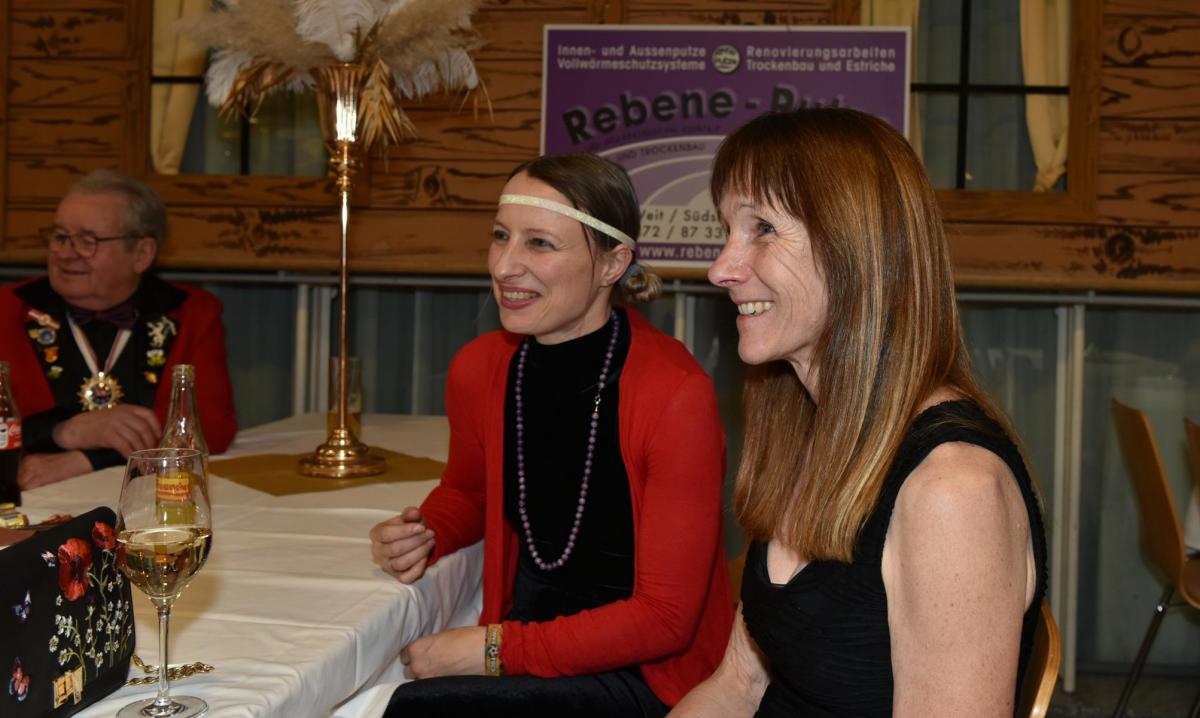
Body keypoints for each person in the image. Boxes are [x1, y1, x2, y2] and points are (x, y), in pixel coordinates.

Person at [670, 108, 1048, 718]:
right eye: (727, 230)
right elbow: (739, 684)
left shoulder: (953, 491)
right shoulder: (812, 433)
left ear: (856, 251)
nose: (720, 268)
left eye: (762, 228)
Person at [369, 153, 733, 717]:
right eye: (500, 236)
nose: (505, 266)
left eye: (539, 243)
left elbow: (666, 619)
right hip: (531, 635)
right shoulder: (480, 368)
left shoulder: (675, 394)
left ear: (613, 263)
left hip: (642, 673)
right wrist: (427, 531)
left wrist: (493, 650)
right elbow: (470, 491)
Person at [0, 169, 237, 489]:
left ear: (141, 254)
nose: (65, 253)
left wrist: (90, 459)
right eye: (60, 236)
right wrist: (62, 431)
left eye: (88, 241)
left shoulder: (192, 312)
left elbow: (210, 426)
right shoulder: (7, 309)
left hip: (150, 495)